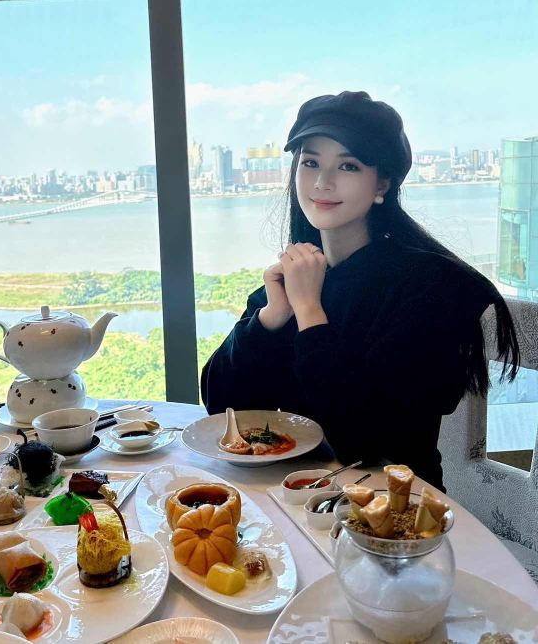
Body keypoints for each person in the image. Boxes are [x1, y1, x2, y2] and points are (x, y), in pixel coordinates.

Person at [201, 91, 519, 490]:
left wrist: (310, 313)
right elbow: (222, 407)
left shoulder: (432, 288)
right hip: (296, 500)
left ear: (382, 183)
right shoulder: (299, 275)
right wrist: (269, 320)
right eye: (310, 162)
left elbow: (364, 441)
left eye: (348, 165)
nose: (322, 182)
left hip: (393, 510)